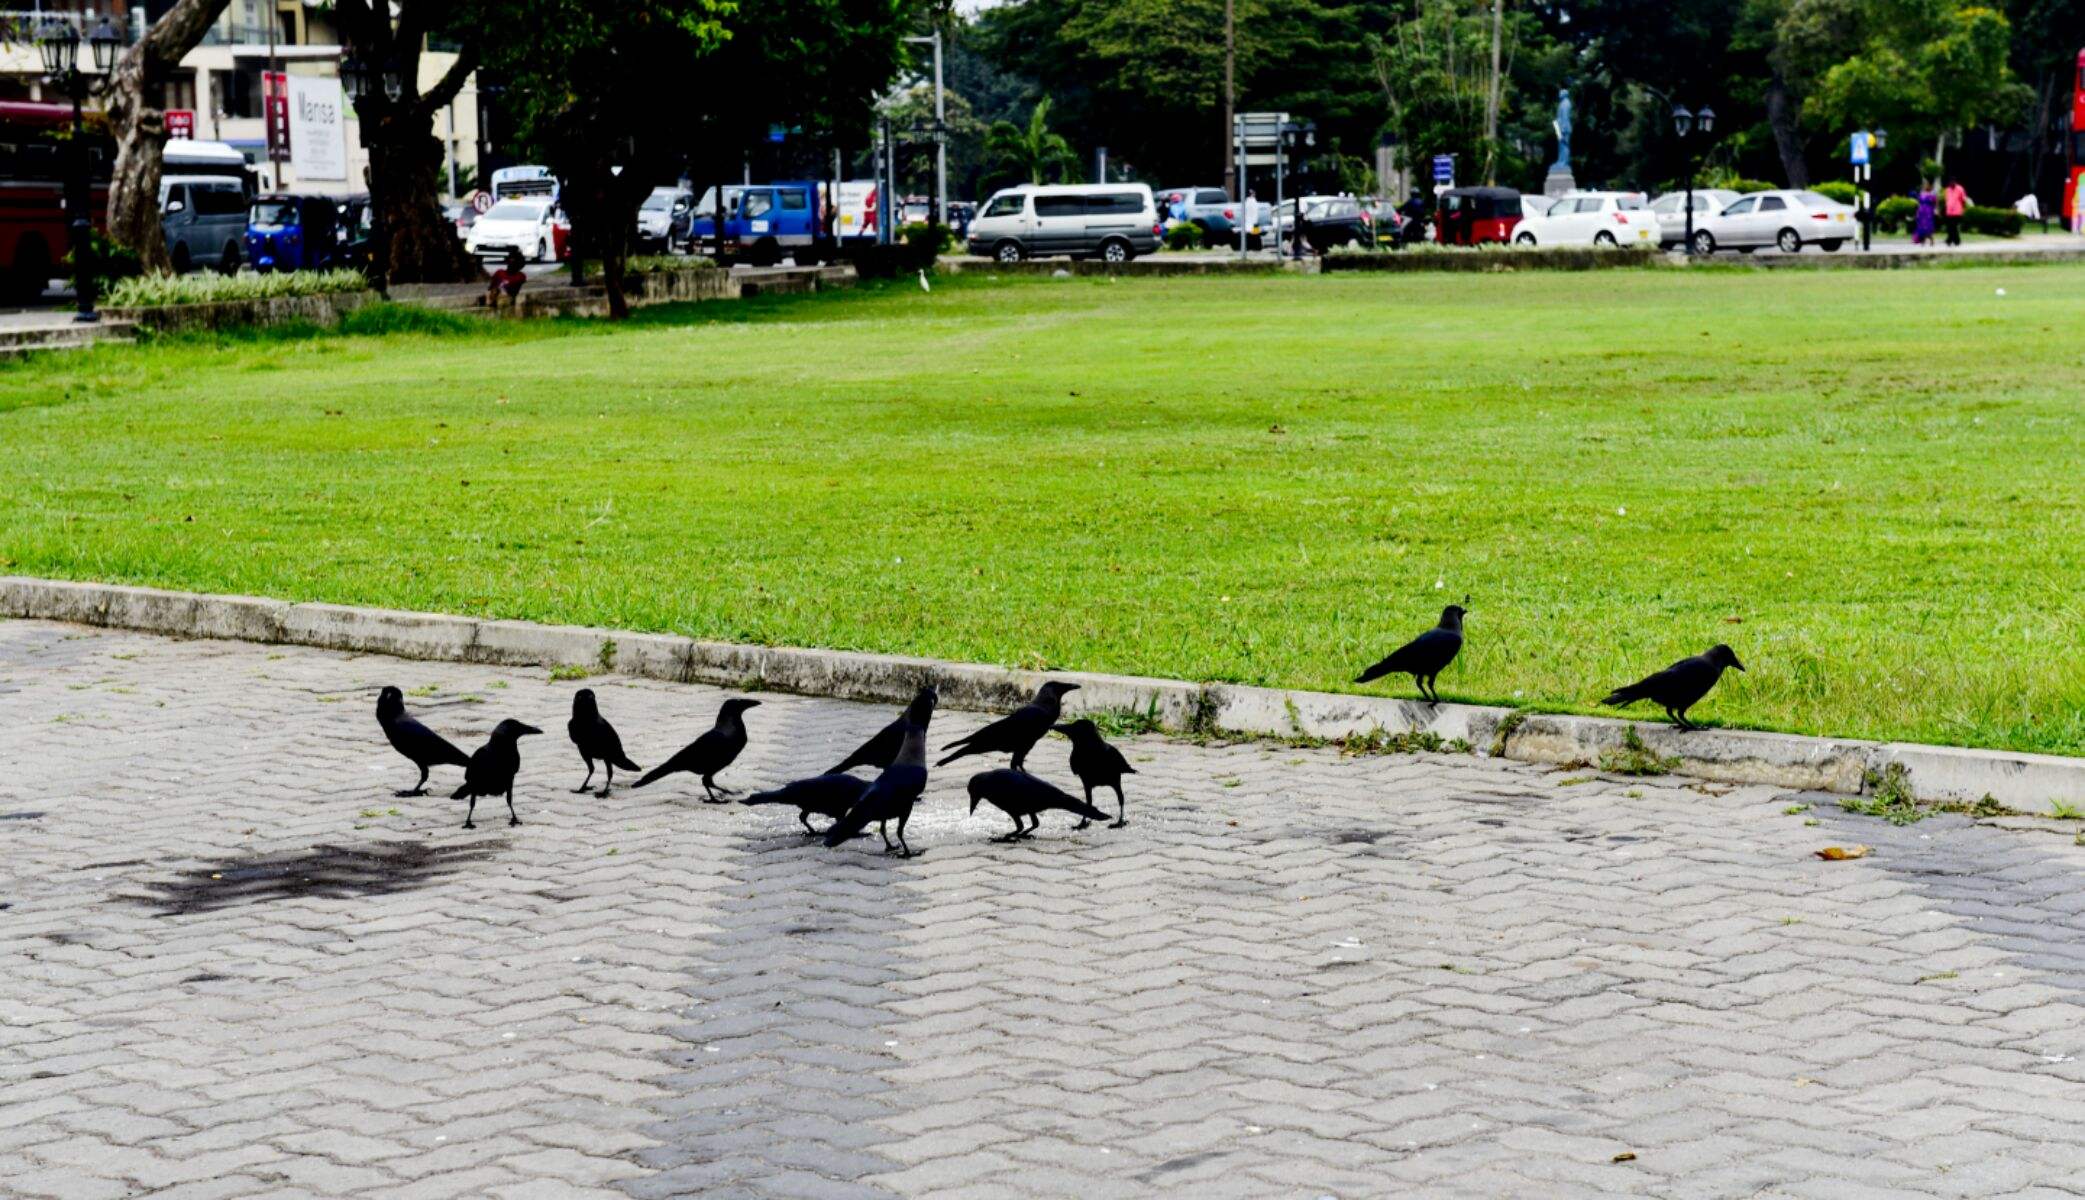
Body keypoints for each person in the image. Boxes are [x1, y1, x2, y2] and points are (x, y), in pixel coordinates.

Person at [1942, 177, 1971, 247]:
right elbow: (1947, 200)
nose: (1951, 183)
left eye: (1953, 182)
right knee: (1950, 227)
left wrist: (1963, 208)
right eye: (1950, 182)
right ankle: (1955, 241)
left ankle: (1950, 240)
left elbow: (1963, 200)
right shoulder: (1947, 190)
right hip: (1949, 211)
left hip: (1957, 211)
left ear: (1955, 182)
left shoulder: (1960, 189)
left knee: (1953, 226)